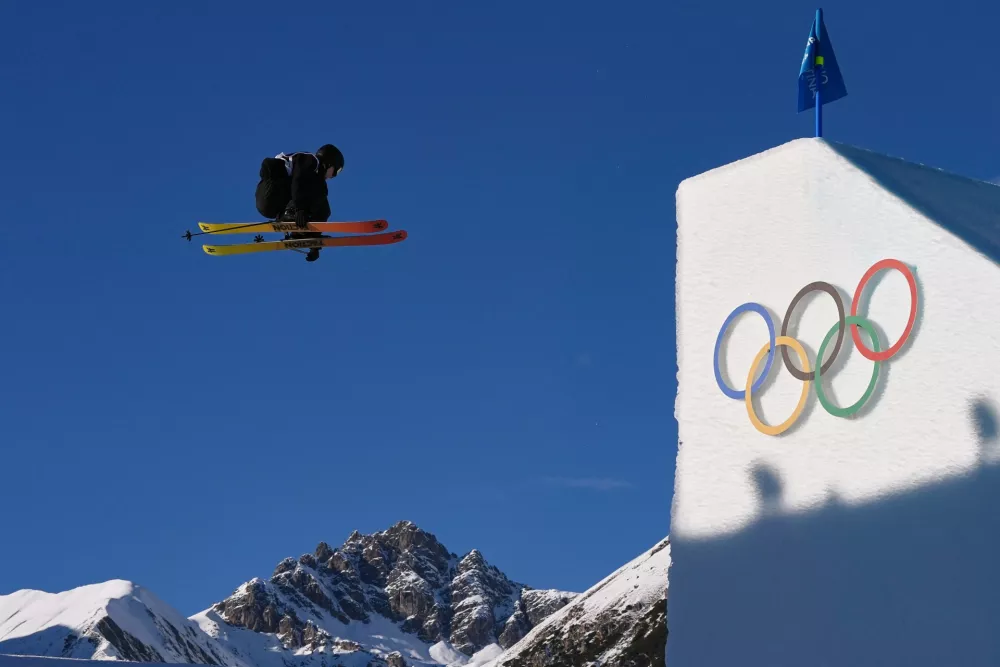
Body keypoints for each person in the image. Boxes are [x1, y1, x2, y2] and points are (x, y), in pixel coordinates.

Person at [254, 144, 345, 261]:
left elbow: (321, 210)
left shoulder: (317, 181)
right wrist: (299, 209)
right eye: (336, 171)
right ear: (329, 163)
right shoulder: (312, 160)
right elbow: (299, 180)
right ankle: (290, 214)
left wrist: (314, 245)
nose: (333, 176)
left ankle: (297, 229)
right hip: (272, 188)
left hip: (267, 203)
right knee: (317, 191)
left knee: (321, 201)